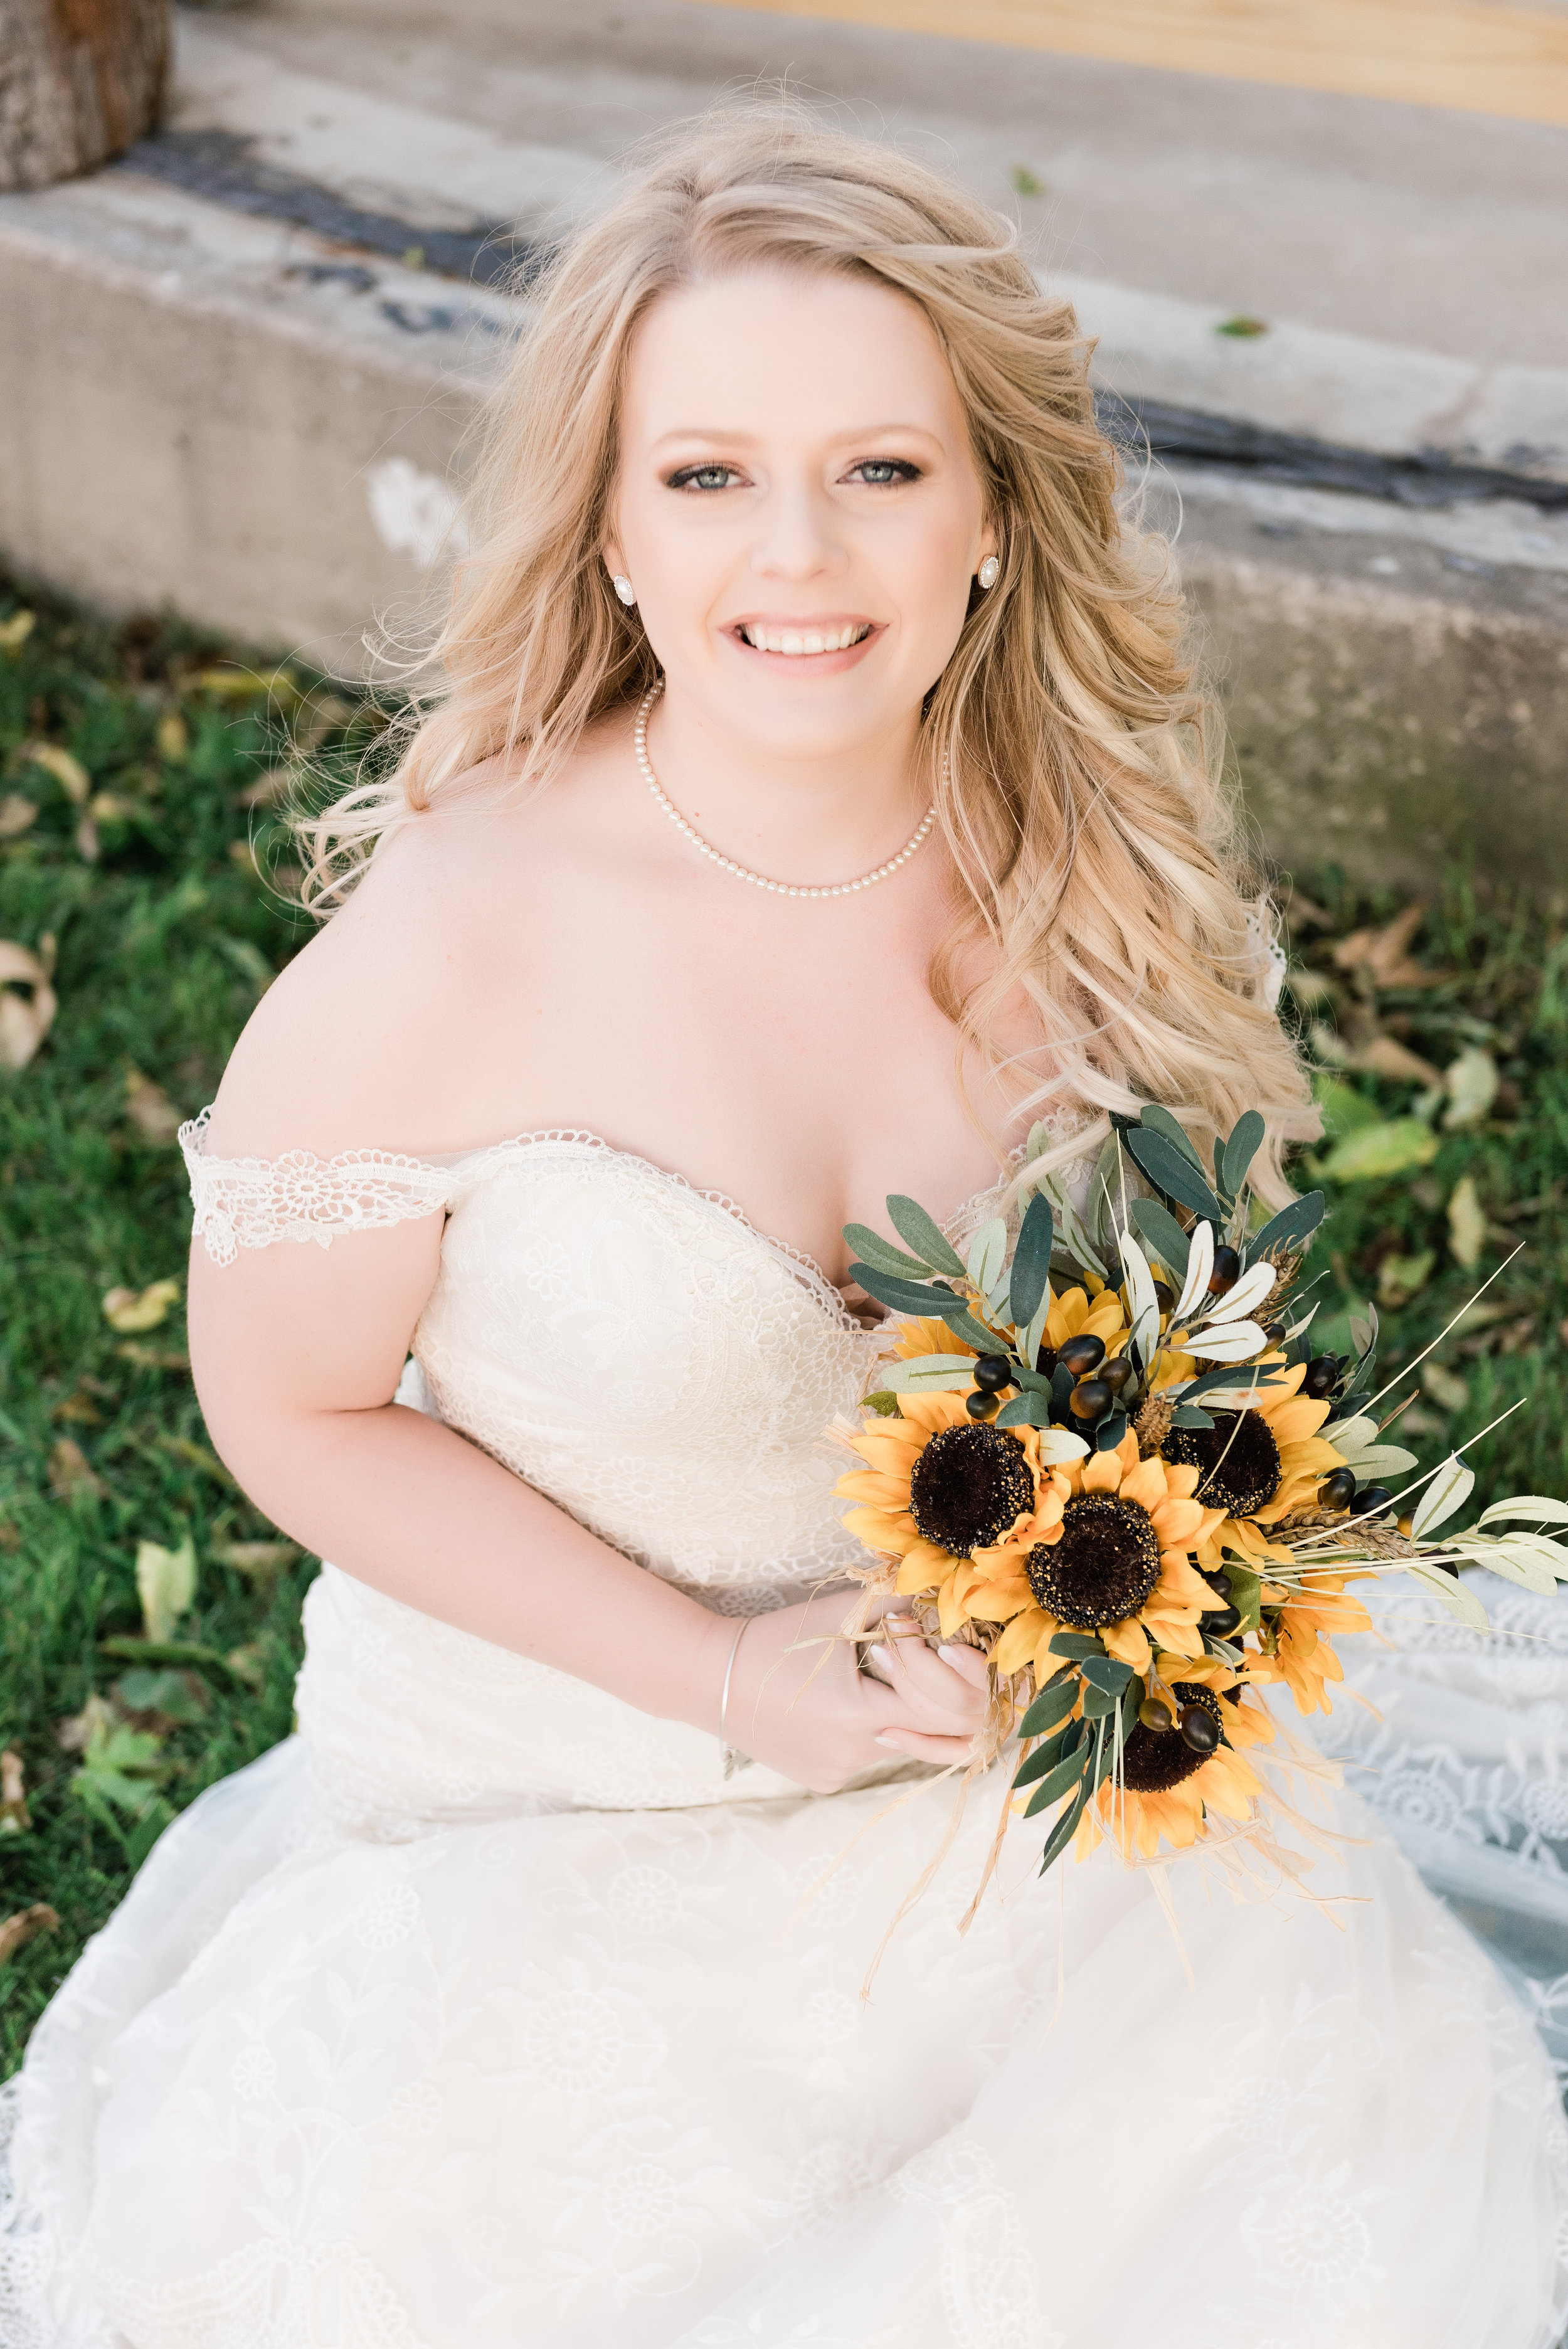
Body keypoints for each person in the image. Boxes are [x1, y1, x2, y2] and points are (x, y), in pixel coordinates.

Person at [2, 117, 1564, 2349]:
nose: (799, 555)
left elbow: (1196, 1301)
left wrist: (1118, 1568)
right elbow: (292, 1404)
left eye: (882, 472)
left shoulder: (1085, 873)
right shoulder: (446, 950)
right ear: (611, 532)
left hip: (1034, 1747)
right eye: (708, 475)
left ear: (997, 520)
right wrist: (726, 1673)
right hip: (577, 1776)